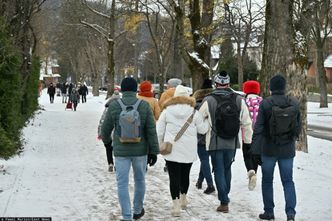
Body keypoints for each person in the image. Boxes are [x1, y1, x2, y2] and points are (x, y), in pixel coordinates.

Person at [101, 77, 159, 221]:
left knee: (122, 183)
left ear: (122, 89)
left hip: (121, 152)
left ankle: (126, 216)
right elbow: (151, 130)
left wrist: (108, 143)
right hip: (141, 151)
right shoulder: (144, 106)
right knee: (140, 180)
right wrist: (153, 151)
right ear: (135, 89)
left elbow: (105, 129)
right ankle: (138, 210)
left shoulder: (114, 106)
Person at [199, 71, 253, 213]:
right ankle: (225, 195)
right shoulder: (239, 99)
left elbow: (198, 120)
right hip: (232, 142)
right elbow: (247, 122)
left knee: (218, 170)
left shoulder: (208, 99)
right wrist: (247, 142)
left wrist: (204, 130)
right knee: (227, 168)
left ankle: (224, 201)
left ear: (216, 84)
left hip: (215, 142)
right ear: (228, 84)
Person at [251, 74, 301, 221]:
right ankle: (290, 214)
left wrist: (254, 150)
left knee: (267, 180)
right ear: (284, 87)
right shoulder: (294, 103)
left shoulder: (266, 103)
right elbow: (298, 128)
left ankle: (269, 212)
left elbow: (258, 128)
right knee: (288, 181)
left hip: (268, 149)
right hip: (287, 150)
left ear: (271, 88)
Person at [157, 85, 208, 217]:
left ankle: (175, 206)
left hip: (171, 150)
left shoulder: (166, 111)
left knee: (173, 177)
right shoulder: (194, 112)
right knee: (185, 175)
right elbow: (203, 130)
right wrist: (207, 121)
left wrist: (159, 145)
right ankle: (184, 198)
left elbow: (159, 131)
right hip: (189, 150)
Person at [192, 79, 215, 194]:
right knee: (205, 160)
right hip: (214, 135)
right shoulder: (214, 101)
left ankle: (210, 184)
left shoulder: (196, 104)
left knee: (204, 159)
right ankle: (200, 181)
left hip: (200, 136)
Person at [242, 80, 263, 191]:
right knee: (256, 155)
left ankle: (251, 171)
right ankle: (255, 172)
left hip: (246, 133)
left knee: (247, 154)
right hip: (259, 134)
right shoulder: (262, 102)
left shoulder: (244, 102)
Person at [158, 78, 182, 172]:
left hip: (168, 120)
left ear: (171, 85)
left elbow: (160, 105)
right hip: (181, 121)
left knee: (168, 141)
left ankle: (168, 163)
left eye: (168, 84)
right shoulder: (183, 93)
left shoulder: (165, 94)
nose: (167, 85)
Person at [97, 90, 121, 172]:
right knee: (117, 149)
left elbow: (102, 120)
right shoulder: (122, 106)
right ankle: (117, 164)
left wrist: (100, 132)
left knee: (108, 147)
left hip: (108, 131)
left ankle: (110, 163)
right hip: (118, 132)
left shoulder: (108, 107)